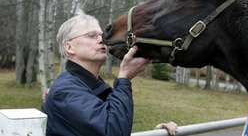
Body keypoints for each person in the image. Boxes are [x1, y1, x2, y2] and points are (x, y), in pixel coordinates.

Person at [42, 10, 178, 136]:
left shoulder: (93, 87)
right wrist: (124, 77)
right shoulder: (65, 90)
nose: (102, 40)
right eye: (91, 36)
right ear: (69, 47)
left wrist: (154, 134)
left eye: (101, 35)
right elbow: (112, 131)